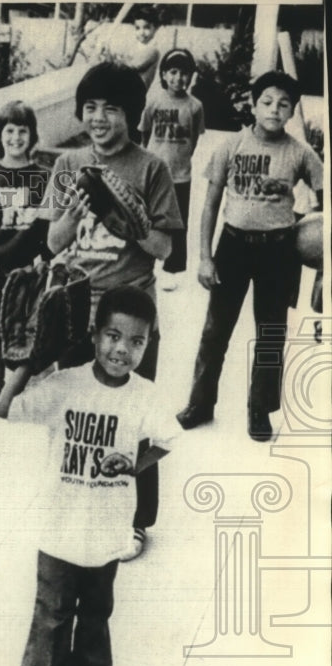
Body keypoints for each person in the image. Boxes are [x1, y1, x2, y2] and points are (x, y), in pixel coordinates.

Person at [0, 286, 179, 666]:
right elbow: (5, 409)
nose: (123, 349)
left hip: (108, 527)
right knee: (54, 611)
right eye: (113, 336)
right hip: (60, 526)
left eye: (137, 341)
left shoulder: (145, 394)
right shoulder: (66, 385)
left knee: (97, 610)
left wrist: (134, 464)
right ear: (95, 335)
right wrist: (27, 362)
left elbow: (168, 440)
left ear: (148, 345)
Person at [41, 61, 183, 561]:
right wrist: (74, 214)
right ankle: (78, 506)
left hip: (130, 314)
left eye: (112, 108)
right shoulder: (66, 166)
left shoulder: (151, 168)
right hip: (77, 309)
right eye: (90, 107)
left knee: (133, 418)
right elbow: (54, 241)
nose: (98, 118)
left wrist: (130, 222)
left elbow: (165, 248)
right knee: (76, 419)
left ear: (132, 114)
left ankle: (138, 520)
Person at [176, 71, 324, 441]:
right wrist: (205, 258)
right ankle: (200, 402)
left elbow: (325, 194)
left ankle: (260, 409)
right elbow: (210, 206)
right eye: (267, 101)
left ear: (291, 111)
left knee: (271, 333)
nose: (275, 109)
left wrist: (319, 244)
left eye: (284, 103)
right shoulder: (231, 145)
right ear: (253, 105)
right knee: (215, 330)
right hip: (234, 247)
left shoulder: (299, 152)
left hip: (279, 251)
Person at [0, 100, 50, 406]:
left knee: (25, 322)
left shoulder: (43, 177)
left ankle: (21, 376)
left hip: (29, 266)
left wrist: (46, 258)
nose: (16, 138)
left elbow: (48, 224)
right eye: (9, 130)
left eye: (23, 131)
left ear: (32, 135)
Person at [139, 48, 205, 290]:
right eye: (173, 72)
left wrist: (182, 160)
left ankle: (173, 269)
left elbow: (194, 138)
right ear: (164, 75)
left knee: (177, 223)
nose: (179, 78)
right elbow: (144, 133)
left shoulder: (195, 106)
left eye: (185, 73)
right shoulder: (154, 101)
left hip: (180, 176)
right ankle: (142, 262)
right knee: (147, 218)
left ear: (192, 76)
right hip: (154, 174)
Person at [128, 6, 161, 91]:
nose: (141, 33)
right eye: (137, 28)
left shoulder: (153, 49)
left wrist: (116, 61)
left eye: (147, 27)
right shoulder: (137, 46)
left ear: (156, 28)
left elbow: (135, 66)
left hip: (138, 90)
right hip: (130, 86)